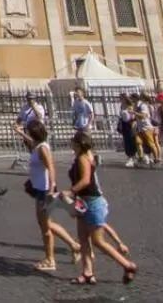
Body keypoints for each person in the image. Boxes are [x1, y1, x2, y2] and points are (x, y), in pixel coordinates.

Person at [62, 130, 138, 286]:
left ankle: (127, 265)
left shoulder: (84, 158)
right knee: (83, 239)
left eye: (72, 141)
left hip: (92, 201)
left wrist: (70, 192)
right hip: (82, 201)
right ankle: (87, 272)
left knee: (98, 241)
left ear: (77, 143)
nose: (70, 143)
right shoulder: (81, 156)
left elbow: (85, 181)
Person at [26, 121, 79, 273]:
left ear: (33, 132)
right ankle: (74, 246)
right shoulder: (38, 145)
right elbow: (31, 143)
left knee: (45, 227)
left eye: (27, 131)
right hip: (39, 189)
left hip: (44, 191)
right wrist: (19, 132)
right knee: (46, 224)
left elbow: (51, 167)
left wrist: (51, 187)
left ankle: (50, 259)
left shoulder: (43, 148)